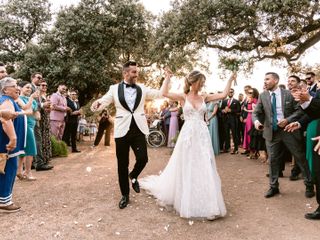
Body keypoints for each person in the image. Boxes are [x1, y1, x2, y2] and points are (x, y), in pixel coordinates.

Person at [140, 70, 236, 219]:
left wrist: (230, 79)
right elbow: (164, 93)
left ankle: (207, 201)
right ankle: (187, 198)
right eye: (200, 81)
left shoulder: (205, 96)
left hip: (202, 135)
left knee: (204, 163)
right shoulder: (183, 97)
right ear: (193, 81)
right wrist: (167, 77)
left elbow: (223, 95)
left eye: (203, 82)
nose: (202, 84)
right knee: (188, 163)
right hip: (188, 135)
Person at [91, 61, 163, 209]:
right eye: (134, 72)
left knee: (143, 158)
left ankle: (134, 175)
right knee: (122, 165)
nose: (137, 74)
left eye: (137, 72)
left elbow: (159, 94)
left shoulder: (142, 88)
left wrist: (167, 78)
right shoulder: (114, 88)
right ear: (125, 73)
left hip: (138, 128)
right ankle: (125, 194)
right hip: (121, 129)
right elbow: (104, 101)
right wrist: (96, 105)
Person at [252, 72, 314, 198]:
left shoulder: (288, 94)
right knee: (273, 160)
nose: (265, 81)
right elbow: (256, 112)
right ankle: (273, 187)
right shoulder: (263, 96)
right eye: (264, 79)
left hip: (289, 130)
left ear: (275, 80)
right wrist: (257, 122)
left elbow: (300, 110)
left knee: (300, 158)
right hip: (271, 132)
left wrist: (288, 120)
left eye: (267, 79)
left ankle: (309, 185)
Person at [0, 77, 26, 213]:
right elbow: (5, 119)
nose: (18, 88)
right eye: (14, 86)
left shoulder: (7, 100)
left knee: (6, 168)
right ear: (5, 89)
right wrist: (13, 138)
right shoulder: (6, 100)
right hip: (6, 143)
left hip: (5, 142)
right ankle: (5, 201)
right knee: (8, 169)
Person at [16, 81, 39, 181]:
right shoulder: (19, 99)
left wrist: (36, 113)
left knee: (24, 149)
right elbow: (28, 110)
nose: (29, 89)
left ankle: (20, 171)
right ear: (20, 88)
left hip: (32, 125)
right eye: (27, 87)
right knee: (31, 149)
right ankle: (28, 172)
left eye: (30, 88)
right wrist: (31, 99)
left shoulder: (32, 100)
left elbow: (36, 113)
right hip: (25, 126)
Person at [220, 88, 241, 154]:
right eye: (229, 92)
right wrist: (223, 111)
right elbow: (221, 109)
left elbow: (239, 111)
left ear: (233, 93)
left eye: (231, 92)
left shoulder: (236, 101)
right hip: (226, 120)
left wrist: (231, 110)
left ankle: (236, 149)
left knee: (234, 134)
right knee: (226, 134)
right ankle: (227, 148)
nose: (230, 93)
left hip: (233, 120)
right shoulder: (224, 101)